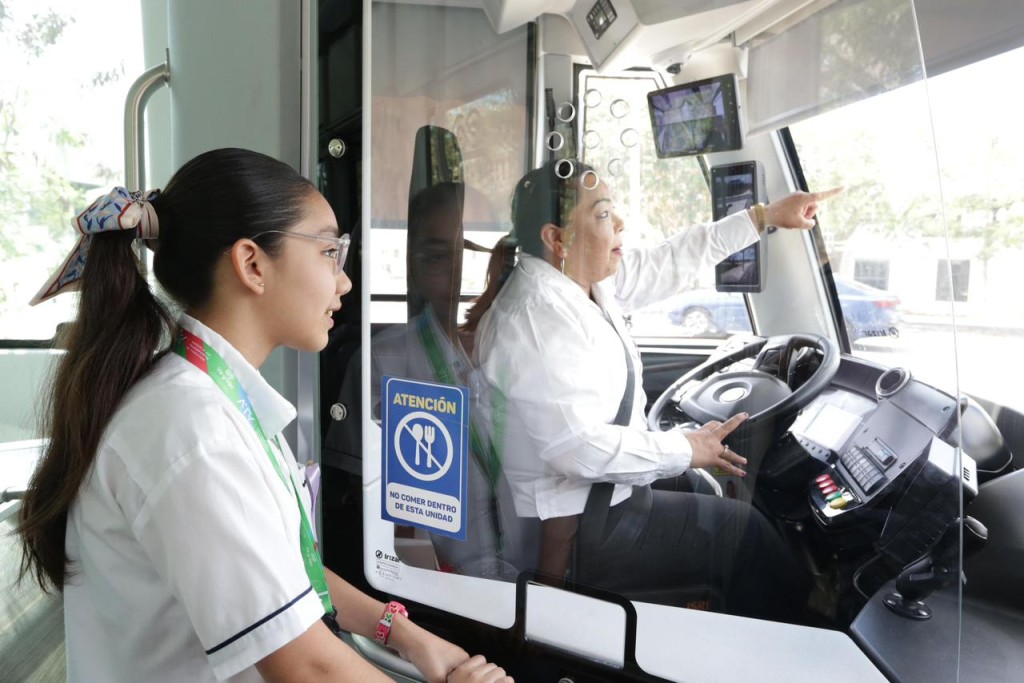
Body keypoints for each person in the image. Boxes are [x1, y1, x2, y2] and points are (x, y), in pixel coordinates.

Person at [16, 148, 513, 683]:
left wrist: (405, 634)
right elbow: (306, 668)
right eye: (328, 252)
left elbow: (283, 568)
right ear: (252, 263)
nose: (343, 282)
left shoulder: (217, 400)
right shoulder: (192, 428)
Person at [468, 159, 840, 619]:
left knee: (708, 492)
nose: (620, 222)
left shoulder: (581, 281)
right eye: (603, 214)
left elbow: (672, 258)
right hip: (574, 526)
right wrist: (684, 449)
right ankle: (809, 634)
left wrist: (764, 217)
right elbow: (576, 449)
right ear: (556, 238)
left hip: (596, 496)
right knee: (747, 534)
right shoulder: (536, 321)